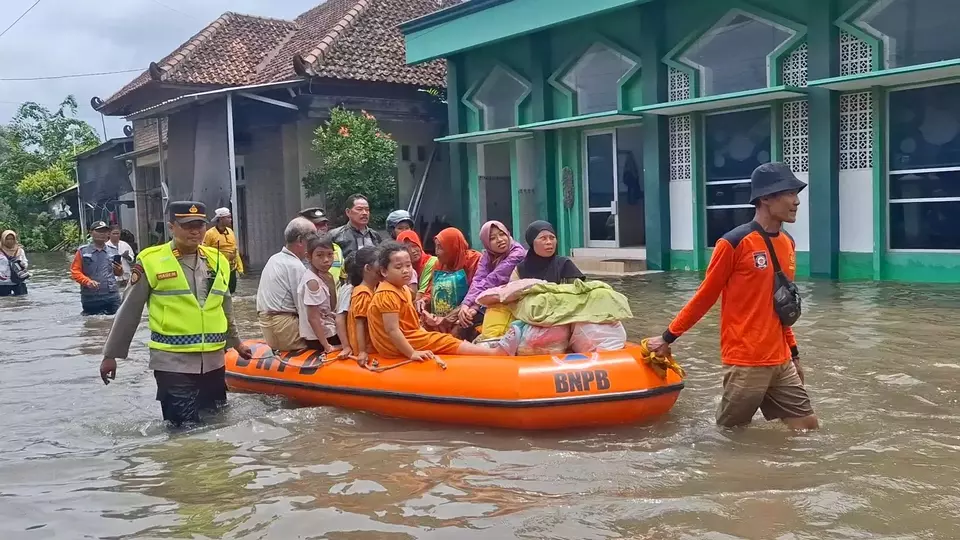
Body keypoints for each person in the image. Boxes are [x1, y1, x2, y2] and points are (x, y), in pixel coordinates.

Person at [645, 162, 818, 431]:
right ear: (766, 198)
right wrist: (668, 338)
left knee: (808, 428)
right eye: (789, 193)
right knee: (730, 434)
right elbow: (705, 297)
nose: (796, 201)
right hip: (747, 362)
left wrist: (794, 354)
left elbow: (782, 306)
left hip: (781, 362)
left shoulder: (788, 244)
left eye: (797, 194)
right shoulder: (734, 243)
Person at [98, 201, 253, 427]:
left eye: (199, 224)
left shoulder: (216, 259)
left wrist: (236, 343)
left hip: (213, 363)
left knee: (217, 426)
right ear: (172, 227)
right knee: (184, 432)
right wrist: (111, 355)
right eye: (187, 225)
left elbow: (225, 305)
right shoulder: (151, 260)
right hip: (173, 363)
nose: (195, 230)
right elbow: (130, 310)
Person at [367, 242, 500, 359]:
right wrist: (412, 353)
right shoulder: (386, 294)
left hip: (411, 336)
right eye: (398, 267)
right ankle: (493, 353)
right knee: (446, 341)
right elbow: (392, 330)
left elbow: (410, 323)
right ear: (384, 271)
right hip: (394, 347)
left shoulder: (403, 289)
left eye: (408, 265)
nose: (405, 271)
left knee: (443, 338)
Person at [256, 217, 315, 351]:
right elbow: (304, 309)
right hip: (284, 329)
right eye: (313, 238)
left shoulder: (274, 258)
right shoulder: (295, 266)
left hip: (269, 326)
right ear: (300, 240)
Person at [458, 220, 527, 328]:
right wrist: (466, 305)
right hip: (493, 300)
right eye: (492, 238)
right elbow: (478, 279)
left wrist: (473, 305)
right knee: (464, 322)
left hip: (516, 303)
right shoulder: (488, 255)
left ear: (507, 234)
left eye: (501, 234)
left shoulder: (517, 253)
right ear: (486, 242)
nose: (499, 240)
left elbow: (494, 279)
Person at [420, 227, 482, 333]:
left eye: (440, 248)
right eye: (436, 247)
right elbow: (431, 291)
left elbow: (477, 293)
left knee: (458, 329)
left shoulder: (475, 260)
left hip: (467, 311)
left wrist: (451, 316)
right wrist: (424, 300)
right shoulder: (439, 264)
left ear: (452, 247)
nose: (436, 252)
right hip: (441, 316)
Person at [297, 233, 340, 353]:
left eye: (330, 255)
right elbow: (313, 318)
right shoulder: (312, 282)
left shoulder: (323, 277)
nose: (326, 260)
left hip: (327, 330)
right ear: (309, 257)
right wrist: (327, 346)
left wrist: (331, 284)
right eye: (320, 255)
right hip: (319, 337)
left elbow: (331, 307)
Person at [71, 221, 124, 315]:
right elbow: (75, 271)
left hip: (112, 296)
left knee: (115, 322)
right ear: (91, 233)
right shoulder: (82, 251)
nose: (102, 234)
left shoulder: (114, 251)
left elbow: (118, 273)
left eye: (104, 231)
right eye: (99, 231)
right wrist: (87, 281)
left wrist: (119, 270)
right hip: (91, 297)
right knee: (92, 325)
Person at [512, 221, 585, 283]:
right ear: (532, 242)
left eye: (552, 238)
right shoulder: (520, 269)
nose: (549, 242)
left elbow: (579, 291)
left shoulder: (564, 264)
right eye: (543, 238)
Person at [345, 246, 380, 366]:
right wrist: (362, 351)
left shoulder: (373, 289)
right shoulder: (363, 293)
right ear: (368, 268)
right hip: (367, 347)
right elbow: (359, 323)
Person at [203, 207, 244, 294]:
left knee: (231, 291)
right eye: (228, 217)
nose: (231, 219)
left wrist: (240, 269)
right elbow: (203, 251)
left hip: (231, 268)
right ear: (221, 219)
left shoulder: (230, 231)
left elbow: (235, 251)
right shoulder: (210, 234)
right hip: (216, 270)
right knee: (217, 293)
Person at [330, 194, 382, 259]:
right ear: (348, 212)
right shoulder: (335, 236)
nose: (364, 213)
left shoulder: (374, 235)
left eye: (367, 209)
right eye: (359, 209)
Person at [299, 207, 343, 283]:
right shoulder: (300, 250)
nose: (323, 228)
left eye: (324, 224)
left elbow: (342, 277)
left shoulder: (336, 248)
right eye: (318, 225)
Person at [397, 230, 437, 300]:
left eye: (415, 246)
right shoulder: (399, 267)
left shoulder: (432, 262)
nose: (413, 251)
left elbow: (421, 294)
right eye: (407, 249)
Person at [0, 230, 28, 297]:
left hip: (19, 281)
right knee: (4, 303)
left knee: (23, 302)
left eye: (12, 239)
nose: (10, 241)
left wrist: (23, 265)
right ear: (3, 239)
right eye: (7, 239)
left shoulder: (20, 250)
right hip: (3, 283)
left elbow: (25, 262)